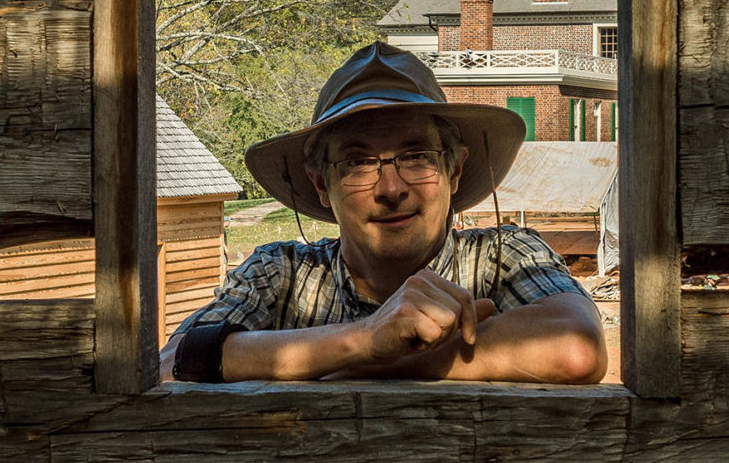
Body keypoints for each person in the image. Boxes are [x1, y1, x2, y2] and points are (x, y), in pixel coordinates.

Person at [161, 41, 606, 384]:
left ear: (453, 171)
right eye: (357, 163)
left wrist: (375, 365)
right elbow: (170, 363)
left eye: (416, 156)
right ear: (321, 185)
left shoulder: (503, 258)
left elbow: (576, 347)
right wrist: (364, 338)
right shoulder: (280, 273)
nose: (391, 189)